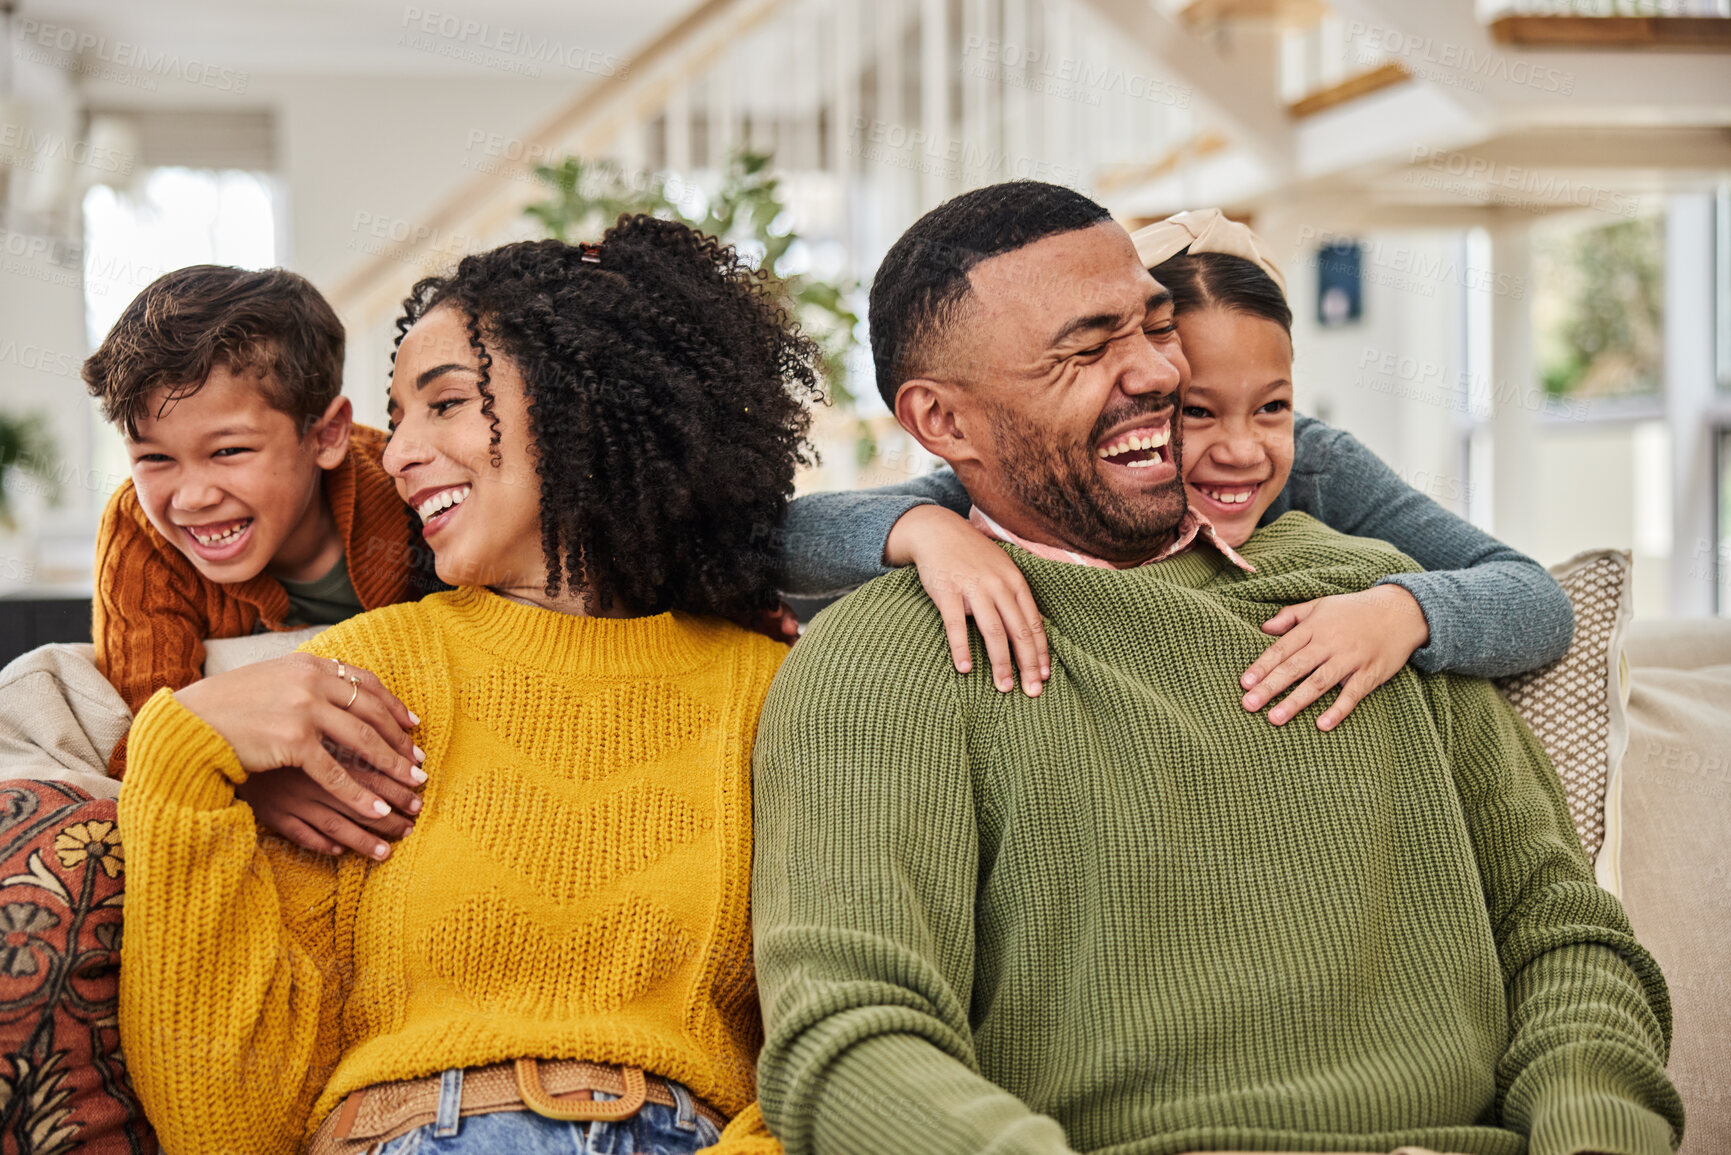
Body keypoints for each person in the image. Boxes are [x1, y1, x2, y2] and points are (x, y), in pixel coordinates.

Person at [751, 182, 1683, 1155]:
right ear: (944, 426)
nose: (1159, 373)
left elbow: (1564, 941)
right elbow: (851, 1040)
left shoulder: (1380, 601)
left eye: (1157, 327)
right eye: (1087, 348)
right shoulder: (888, 657)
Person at [116, 220, 819, 1155]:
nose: (398, 452)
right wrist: (178, 753)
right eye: (397, 417)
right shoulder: (360, 676)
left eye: (442, 405)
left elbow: (831, 1040)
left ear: (588, 401)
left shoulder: (776, 692)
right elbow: (229, 1120)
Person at [774, 211, 1572, 726]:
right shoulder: (1035, 484)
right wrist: (927, 530)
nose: (1240, 448)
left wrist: (1403, 612)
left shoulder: (1317, 466)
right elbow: (776, 539)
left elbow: (1533, 597)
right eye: (1193, 410)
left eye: (1269, 407)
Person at [83, 266, 433, 857]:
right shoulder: (140, 533)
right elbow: (143, 724)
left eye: (228, 451)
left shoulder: (405, 487)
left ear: (326, 437)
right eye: (154, 458)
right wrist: (245, 779)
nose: (191, 496)